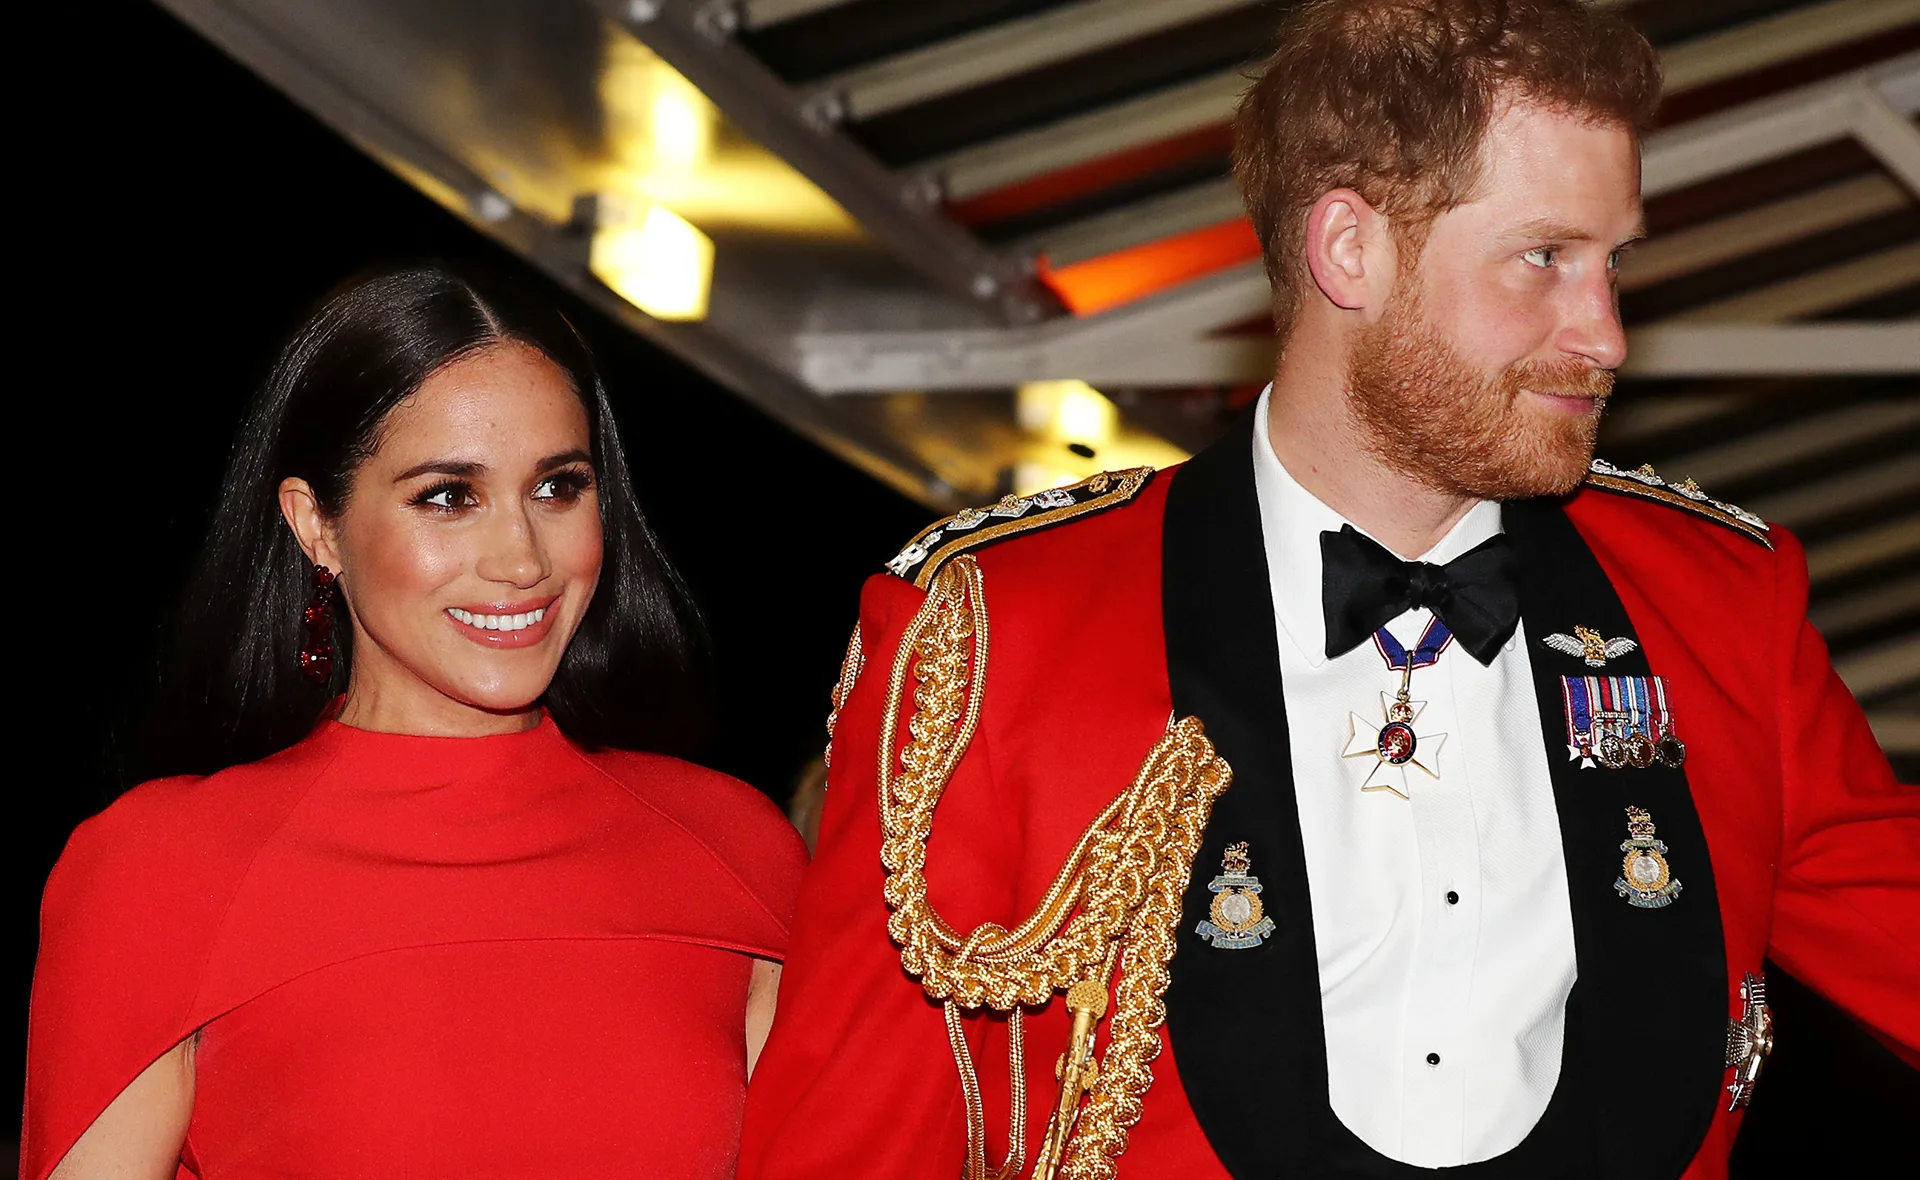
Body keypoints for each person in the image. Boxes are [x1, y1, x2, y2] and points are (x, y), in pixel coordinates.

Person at [738, 2, 1919, 1178]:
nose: (1605, 332)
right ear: (1348, 249)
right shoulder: (995, 628)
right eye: (1545, 258)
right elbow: (848, 1147)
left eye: (1616, 264)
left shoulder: (1716, 604)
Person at [25, 266, 806, 1179]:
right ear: (315, 525)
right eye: (447, 496)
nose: (522, 560)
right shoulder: (163, 869)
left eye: (558, 488)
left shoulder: (733, 850)